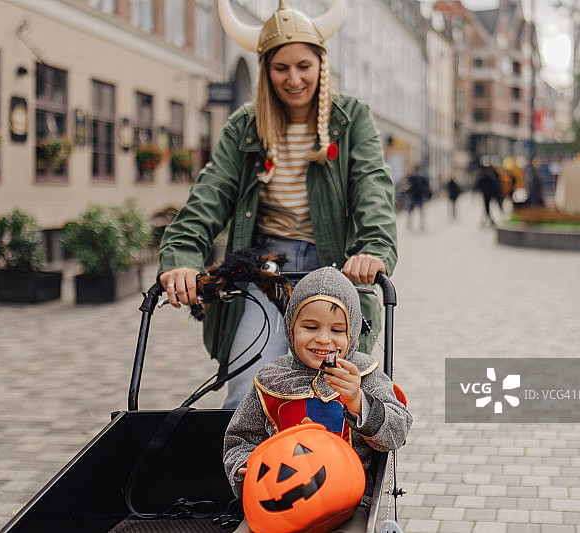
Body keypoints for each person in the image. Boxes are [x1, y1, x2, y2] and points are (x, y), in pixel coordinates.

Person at [157, 0, 398, 408]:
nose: (293, 79)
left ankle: (328, 463)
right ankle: (244, 465)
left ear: (321, 64)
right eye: (280, 67)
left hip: (330, 267)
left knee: (332, 384)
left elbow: (372, 187)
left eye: (303, 65)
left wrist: (373, 249)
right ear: (265, 71)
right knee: (248, 382)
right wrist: (181, 255)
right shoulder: (245, 125)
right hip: (267, 268)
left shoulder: (351, 118)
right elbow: (209, 195)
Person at [223, 267, 412, 532]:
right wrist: (244, 467)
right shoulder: (271, 379)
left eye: (337, 330)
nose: (323, 339)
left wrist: (359, 402)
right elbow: (239, 438)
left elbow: (397, 433)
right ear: (291, 327)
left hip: (350, 502)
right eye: (310, 327)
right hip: (279, 500)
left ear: (352, 333)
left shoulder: (365, 375)